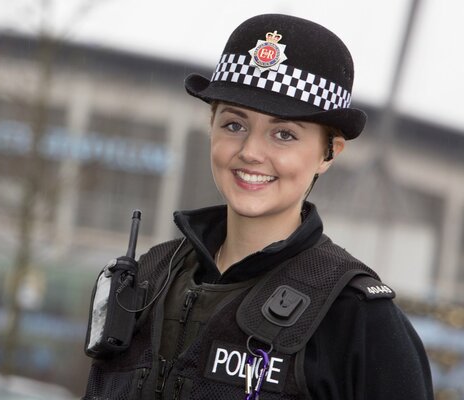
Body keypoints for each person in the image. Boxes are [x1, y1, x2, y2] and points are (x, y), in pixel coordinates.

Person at [83, 13, 434, 400]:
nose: (250, 152)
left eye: (283, 134)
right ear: (211, 124)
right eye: (234, 125)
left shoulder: (359, 320)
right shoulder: (147, 280)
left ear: (329, 152)